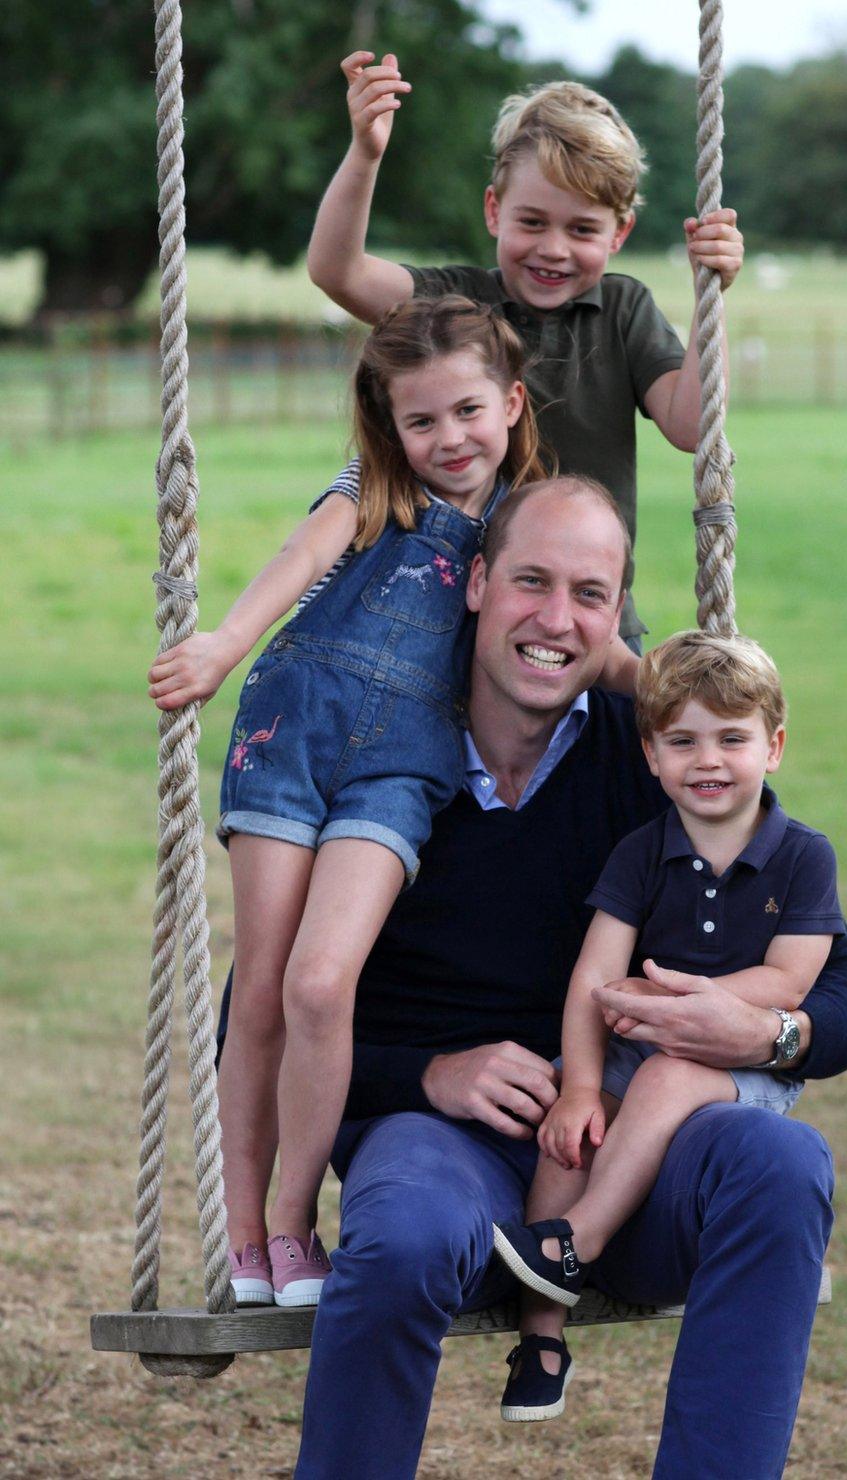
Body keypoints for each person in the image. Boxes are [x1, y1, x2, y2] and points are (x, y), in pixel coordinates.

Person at [277, 477, 847, 1479]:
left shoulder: (654, 759)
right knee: (397, 1236)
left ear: (615, 619)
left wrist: (766, 1036)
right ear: (476, 583)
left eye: (590, 594)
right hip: (447, 1148)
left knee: (778, 1168)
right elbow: (258, 1019)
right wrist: (427, 1074)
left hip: (633, 1152)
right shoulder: (383, 758)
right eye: (530, 581)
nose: (555, 620)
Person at [147, 296, 577, 1311]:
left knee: (319, 982)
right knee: (257, 989)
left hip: (403, 763)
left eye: (468, 411)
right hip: (290, 731)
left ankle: (297, 1221)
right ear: (391, 427)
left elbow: (565, 619)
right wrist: (221, 643)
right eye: (420, 420)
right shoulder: (369, 489)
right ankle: (243, 1231)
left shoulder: (524, 520)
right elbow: (297, 563)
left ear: (511, 403)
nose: (448, 439)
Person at [491, 629, 846, 1422]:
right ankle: (542, 1333)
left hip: (742, 1060)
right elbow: (593, 978)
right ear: (651, 755)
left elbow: (791, 979)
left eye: (732, 739)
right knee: (568, 1130)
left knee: (669, 1072)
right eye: (683, 741)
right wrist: (581, 1087)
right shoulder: (641, 853)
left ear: (774, 747)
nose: (709, 760)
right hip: (636, 1040)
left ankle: (578, 1238)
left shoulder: (802, 858)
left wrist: (689, 1007)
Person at [306, 60, 745, 649]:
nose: (553, 249)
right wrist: (365, 151)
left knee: (616, 737)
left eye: (583, 230)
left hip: (591, 620)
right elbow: (338, 271)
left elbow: (692, 426)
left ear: (619, 234)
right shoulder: (456, 307)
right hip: (454, 617)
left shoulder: (623, 310)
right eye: (532, 222)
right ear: (494, 210)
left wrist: (707, 297)